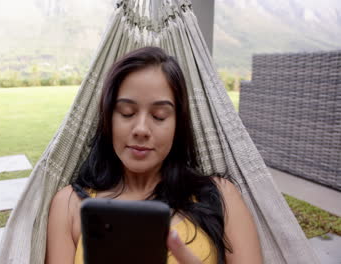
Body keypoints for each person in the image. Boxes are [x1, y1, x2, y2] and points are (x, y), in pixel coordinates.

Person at [45, 47, 262, 264]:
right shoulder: (69, 206)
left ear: (178, 124)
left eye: (159, 116)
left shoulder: (221, 195)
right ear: (108, 119)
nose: (141, 129)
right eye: (127, 113)